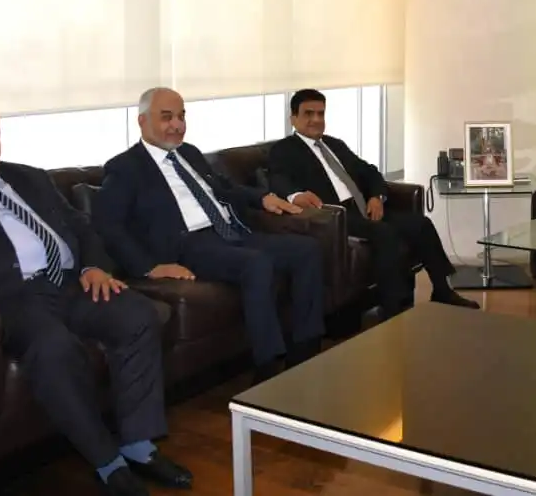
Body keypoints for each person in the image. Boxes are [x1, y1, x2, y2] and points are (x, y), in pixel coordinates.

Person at [0, 104, 190, 496]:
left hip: (71, 285)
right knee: (54, 347)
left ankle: (139, 445)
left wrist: (93, 266)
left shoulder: (29, 178)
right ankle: (108, 462)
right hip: (13, 297)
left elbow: (80, 226)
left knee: (140, 315)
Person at [92, 88, 325, 386]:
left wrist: (262, 198)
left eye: (181, 116)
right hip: (189, 244)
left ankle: (305, 351)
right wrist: (149, 267)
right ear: (142, 121)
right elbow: (108, 225)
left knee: (307, 250)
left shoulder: (189, 153)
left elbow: (224, 189)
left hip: (231, 231)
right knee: (256, 264)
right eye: (167, 117)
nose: (177, 125)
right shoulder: (125, 167)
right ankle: (268, 366)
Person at [266, 88, 479, 319]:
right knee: (385, 233)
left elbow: (369, 172)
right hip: (335, 217)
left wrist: (377, 197)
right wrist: (294, 195)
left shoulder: (334, 145)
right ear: (293, 118)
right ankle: (392, 308)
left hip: (363, 207)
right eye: (309, 114)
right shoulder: (284, 150)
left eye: (321, 113)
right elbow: (278, 179)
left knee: (421, 224)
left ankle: (442, 290)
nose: (316, 120)